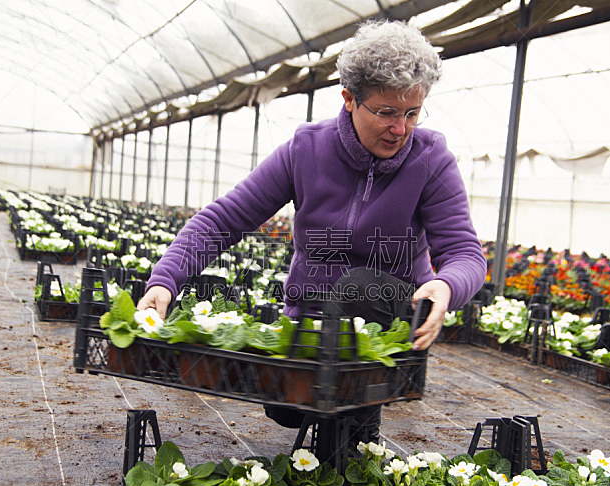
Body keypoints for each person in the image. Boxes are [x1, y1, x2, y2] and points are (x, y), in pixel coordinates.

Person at [138, 20, 487, 444]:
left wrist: (447, 286)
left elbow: (466, 253)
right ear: (348, 100)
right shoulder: (307, 149)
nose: (401, 129)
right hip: (311, 320)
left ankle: (355, 425)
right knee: (288, 405)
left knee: (361, 291)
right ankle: (331, 412)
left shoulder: (431, 160)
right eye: (387, 113)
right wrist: (165, 280)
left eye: (412, 113)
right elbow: (223, 219)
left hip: (387, 328)